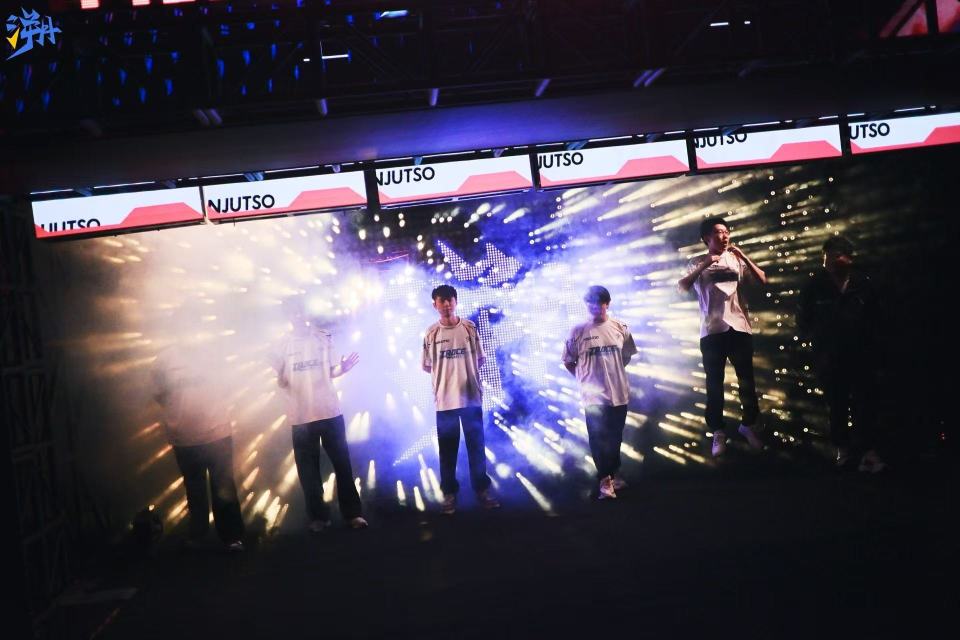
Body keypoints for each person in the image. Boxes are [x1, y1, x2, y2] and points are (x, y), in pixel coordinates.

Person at [271, 296, 368, 532]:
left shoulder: (323, 337)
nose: (298, 316)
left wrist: (343, 368)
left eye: (300, 311)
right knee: (308, 471)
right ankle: (318, 518)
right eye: (293, 312)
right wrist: (281, 375)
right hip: (300, 417)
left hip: (329, 411)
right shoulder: (281, 345)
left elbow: (332, 369)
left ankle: (353, 514)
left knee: (342, 464)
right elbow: (282, 381)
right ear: (288, 316)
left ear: (306, 313)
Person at [796, 236, 887, 472]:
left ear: (849, 258)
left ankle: (867, 452)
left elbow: (877, 318)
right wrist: (818, 344)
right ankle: (843, 450)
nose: (830, 261)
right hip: (829, 356)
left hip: (861, 354)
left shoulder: (863, 285)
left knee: (865, 404)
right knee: (837, 404)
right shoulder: (814, 286)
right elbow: (803, 320)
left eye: (836, 256)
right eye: (826, 257)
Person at [678, 216, 766, 457]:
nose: (724, 236)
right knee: (714, 384)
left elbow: (762, 279)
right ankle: (718, 431)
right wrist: (705, 264)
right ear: (707, 238)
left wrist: (744, 256)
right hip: (712, 331)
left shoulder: (735, 259)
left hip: (739, 327)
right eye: (718, 232)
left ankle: (748, 424)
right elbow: (682, 286)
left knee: (747, 381)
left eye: (726, 232)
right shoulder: (697, 261)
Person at [153, 342, 245, 552]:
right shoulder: (163, 360)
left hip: (217, 431)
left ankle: (231, 537)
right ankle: (198, 534)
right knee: (194, 489)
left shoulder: (213, 353)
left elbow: (229, 385)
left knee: (223, 486)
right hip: (184, 436)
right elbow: (158, 394)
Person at [421, 284, 500, 515]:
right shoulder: (431, 333)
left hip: (471, 399)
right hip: (445, 402)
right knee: (447, 452)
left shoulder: (469, 327)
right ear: (435, 305)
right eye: (441, 300)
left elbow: (480, 359)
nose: (446, 304)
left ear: (456, 301)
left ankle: (482, 491)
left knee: (476, 448)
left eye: (450, 300)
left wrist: (466, 376)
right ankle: (449, 494)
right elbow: (426, 365)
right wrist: (447, 379)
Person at [563, 286, 638, 500]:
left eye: (598, 303)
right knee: (598, 437)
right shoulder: (577, 330)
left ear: (607, 303)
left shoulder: (620, 327)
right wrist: (584, 380)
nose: (593, 307)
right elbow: (568, 361)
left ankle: (614, 475)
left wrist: (613, 372)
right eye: (589, 303)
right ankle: (604, 480)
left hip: (618, 392)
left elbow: (627, 355)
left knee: (615, 437)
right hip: (593, 396)